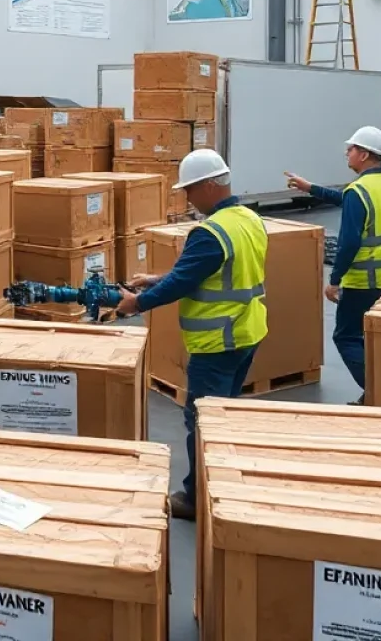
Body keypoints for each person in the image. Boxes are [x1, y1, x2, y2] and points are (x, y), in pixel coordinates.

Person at [116, 149, 267, 521]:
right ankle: (223, 479)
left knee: (200, 421)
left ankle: (197, 498)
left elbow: (186, 279)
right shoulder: (248, 218)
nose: (187, 198)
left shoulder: (210, 232)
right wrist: (156, 279)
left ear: (210, 186)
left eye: (190, 190)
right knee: (222, 415)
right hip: (248, 331)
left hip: (218, 341)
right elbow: (209, 270)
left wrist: (138, 303)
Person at [285, 125, 381, 404]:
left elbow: (349, 242)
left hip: (366, 280)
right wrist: (310, 187)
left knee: (347, 337)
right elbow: (346, 200)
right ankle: (379, 391)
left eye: (350, 149)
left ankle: (379, 393)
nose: (346, 154)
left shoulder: (359, 191)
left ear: (363, 155)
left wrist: (334, 279)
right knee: (376, 337)